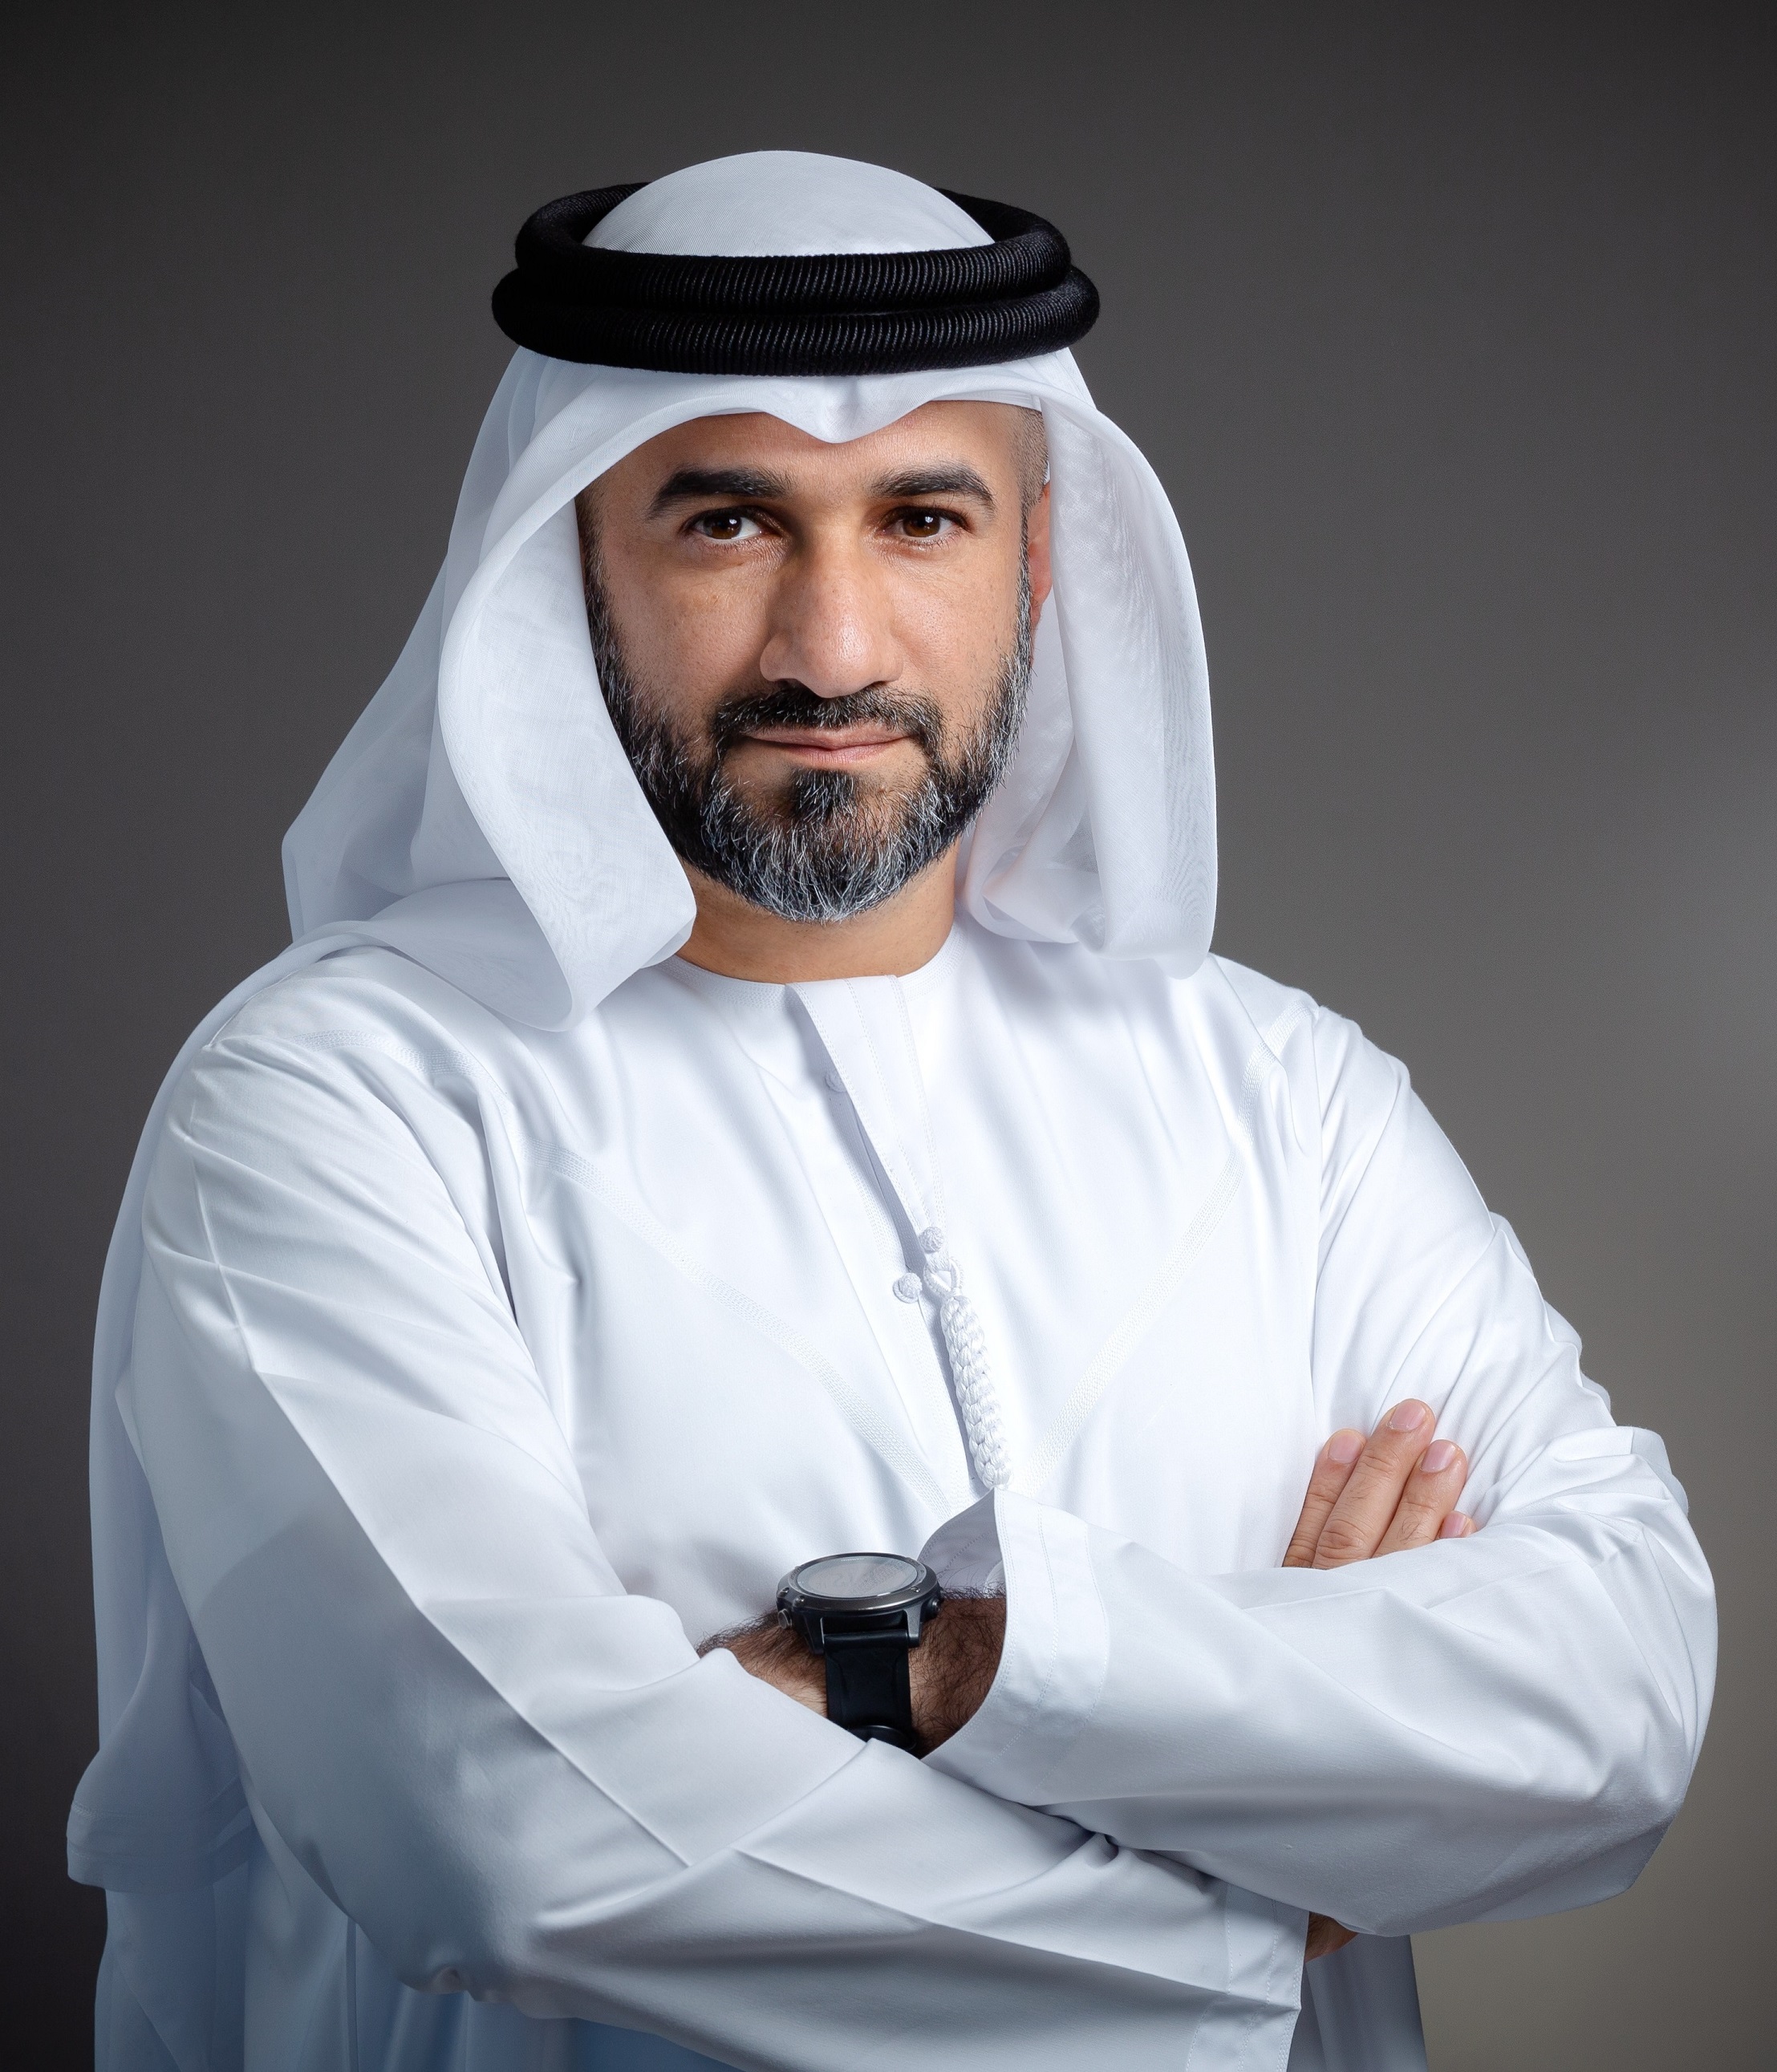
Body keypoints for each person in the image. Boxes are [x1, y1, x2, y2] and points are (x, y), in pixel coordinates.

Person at [69, 152, 1714, 2072]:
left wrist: (939, 1670)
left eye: (920, 517)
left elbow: (1615, 1687)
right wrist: (1281, 1825)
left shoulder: (1282, 1095)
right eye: (727, 521)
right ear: (568, 558)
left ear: (1037, 560)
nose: (830, 646)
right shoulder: (334, 1105)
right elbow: (496, 1827)